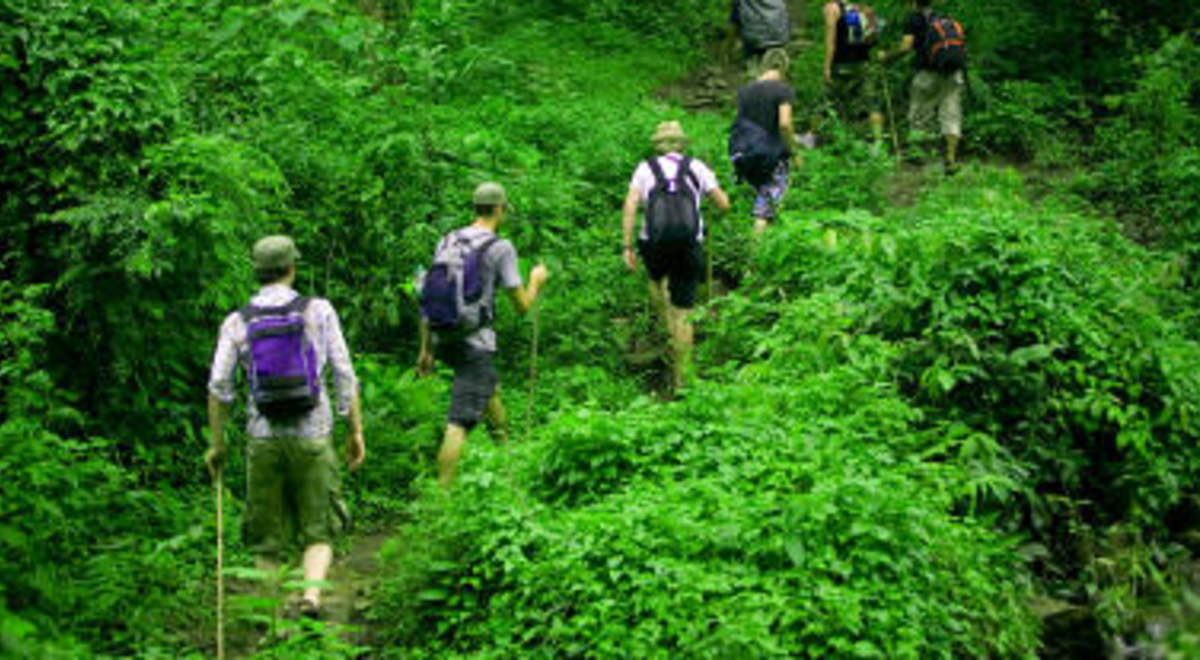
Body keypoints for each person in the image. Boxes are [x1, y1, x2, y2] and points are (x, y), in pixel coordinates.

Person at [206, 235, 365, 619]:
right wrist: (354, 430)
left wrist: (217, 443)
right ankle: (311, 598)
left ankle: (273, 618)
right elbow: (344, 373)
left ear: (257, 272)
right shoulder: (319, 311)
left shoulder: (237, 321)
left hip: (263, 439)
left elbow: (219, 387)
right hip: (313, 434)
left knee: (266, 541)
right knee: (320, 528)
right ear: (292, 268)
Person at [417, 182, 549, 488]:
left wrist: (426, 349)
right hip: (473, 341)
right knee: (459, 423)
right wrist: (536, 281)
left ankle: (508, 461)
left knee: (490, 390)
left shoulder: (448, 239)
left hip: (441, 335)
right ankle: (441, 499)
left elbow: (429, 294)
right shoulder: (499, 247)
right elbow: (522, 306)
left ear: (475, 208)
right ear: (500, 210)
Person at [622, 121, 731, 391]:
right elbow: (724, 203)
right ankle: (684, 379)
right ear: (682, 144)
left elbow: (630, 205)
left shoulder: (645, 168)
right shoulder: (697, 167)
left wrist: (626, 246)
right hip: (688, 243)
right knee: (684, 310)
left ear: (658, 145)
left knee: (657, 280)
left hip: (653, 243)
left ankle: (667, 331)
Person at [878, 0, 966, 174]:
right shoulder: (943, 18)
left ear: (913, 2)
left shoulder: (914, 19)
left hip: (927, 74)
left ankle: (918, 156)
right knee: (951, 114)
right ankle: (950, 160)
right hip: (953, 72)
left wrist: (886, 57)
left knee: (920, 113)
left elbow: (905, 47)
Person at [735, 48, 802, 233]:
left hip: (744, 152)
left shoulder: (745, 91)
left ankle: (762, 244)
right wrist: (794, 152)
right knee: (764, 211)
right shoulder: (783, 90)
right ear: (783, 67)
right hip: (771, 155)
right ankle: (756, 255)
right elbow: (785, 124)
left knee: (762, 199)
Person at [823, 1, 885, 151]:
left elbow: (831, 42)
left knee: (826, 101)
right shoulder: (866, 9)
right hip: (863, 64)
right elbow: (875, 38)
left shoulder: (832, 8)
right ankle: (878, 142)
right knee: (871, 102)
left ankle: (813, 137)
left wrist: (826, 67)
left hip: (840, 64)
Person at [730, 0, 791, 75]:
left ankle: (752, 60)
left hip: (754, 38)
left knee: (741, 13)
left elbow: (735, 18)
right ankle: (775, 55)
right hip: (781, 35)